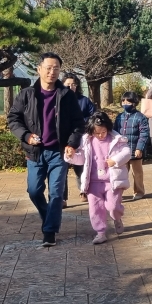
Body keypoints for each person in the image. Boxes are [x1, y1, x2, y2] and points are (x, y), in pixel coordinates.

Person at [7, 52, 86, 247]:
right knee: (34, 191)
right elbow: (13, 119)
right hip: (35, 153)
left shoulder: (67, 95)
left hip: (58, 152)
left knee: (57, 194)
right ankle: (48, 218)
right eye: (48, 68)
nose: (52, 72)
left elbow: (78, 123)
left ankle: (49, 232)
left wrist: (71, 144)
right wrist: (26, 136)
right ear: (39, 69)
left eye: (56, 68)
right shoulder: (27, 94)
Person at [66, 111, 132, 244]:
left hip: (112, 181)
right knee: (95, 208)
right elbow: (82, 159)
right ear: (91, 131)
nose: (101, 135)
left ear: (108, 128)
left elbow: (127, 152)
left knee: (113, 206)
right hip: (93, 182)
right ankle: (100, 232)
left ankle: (117, 218)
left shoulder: (116, 139)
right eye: (97, 133)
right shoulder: (86, 141)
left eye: (103, 132)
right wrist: (71, 156)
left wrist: (115, 160)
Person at [61, 73, 96, 206]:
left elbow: (93, 116)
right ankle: (62, 198)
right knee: (62, 169)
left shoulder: (84, 100)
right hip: (63, 140)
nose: (71, 87)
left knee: (80, 167)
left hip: (80, 139)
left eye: (73, 84)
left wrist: (81, 122)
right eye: (67, 84)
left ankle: (83, 190)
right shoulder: (58, 99)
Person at [115, 91, 150, 200]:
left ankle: (139, 192)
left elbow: (144, 134)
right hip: (122, 151)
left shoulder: (140, 117)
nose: (125, 103)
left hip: (135, 150)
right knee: (120, 173)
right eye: (123, 101)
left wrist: (139, 148)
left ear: (134, 103)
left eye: (128, 101)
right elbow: (114, 133)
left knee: (137, 173)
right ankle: (118, 192)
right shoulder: (119, 117)